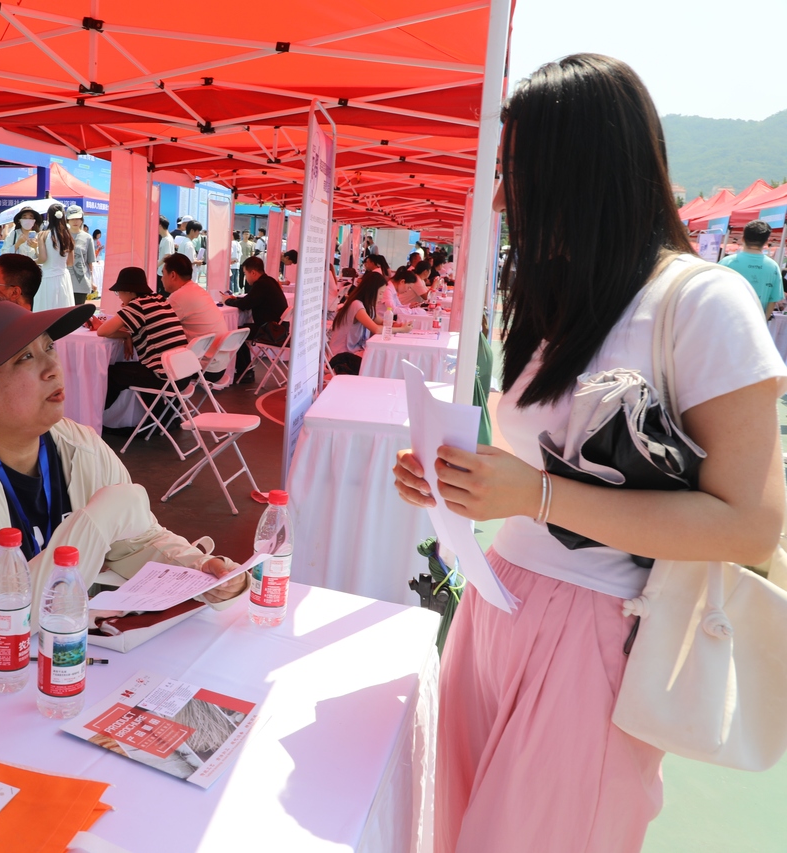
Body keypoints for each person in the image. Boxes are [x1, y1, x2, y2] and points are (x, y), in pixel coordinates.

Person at [392, 54, 787, 853]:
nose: (501, 199)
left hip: (601, 631)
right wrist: (457, 481)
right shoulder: (557, 295)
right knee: (452, 830)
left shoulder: (702, 302)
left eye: (516, 173)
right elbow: (529, 461)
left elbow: (751, 524)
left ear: (579, 171)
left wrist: (534, 495)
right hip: (495, 601)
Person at [0, 292, 248, 711]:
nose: (53, 368)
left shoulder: (76, 444)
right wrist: (102, 516)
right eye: (24, 358)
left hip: (27, 671)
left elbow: (134, 540)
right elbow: (3, 621)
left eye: (49, 348)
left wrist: (198, 569)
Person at [91, 268, 190, 408]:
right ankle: (162, 416)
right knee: (143, 368)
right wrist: (127, 334)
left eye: (119, 292)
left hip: (167, 377)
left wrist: (126, 335)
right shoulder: (159, 299)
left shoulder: (137, 306)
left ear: (129, 291)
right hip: (184, 372)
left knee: (113, 374)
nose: (119, 296)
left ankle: (97, 416)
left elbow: (102, 331)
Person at [224, 256, 288, 381]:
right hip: (278, 329)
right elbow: (251, 300)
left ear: (253, 272)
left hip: (271, 331)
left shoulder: (261, 284)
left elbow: (245, 304)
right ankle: (246, 371)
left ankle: (244, 372)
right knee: (241, 331)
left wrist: (227, 301)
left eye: (245, 274)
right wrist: (236, 299)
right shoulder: (269, 281)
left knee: (237, 333)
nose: (245, 277)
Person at [329, 273, 403, 374]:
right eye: (380, 293)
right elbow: (376, 329)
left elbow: (382, 322)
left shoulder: (367, 306)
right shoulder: (356, 305)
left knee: (383, 361)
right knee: (381, 365)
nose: (381, 298)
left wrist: (395, 324)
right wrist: (401, 329)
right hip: (343, 356)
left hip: (355, 351)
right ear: (371, 291)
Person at [162, 254, 227, 363]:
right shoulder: (197, 290)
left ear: (173, 275)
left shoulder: (179, 297)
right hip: (220, 361)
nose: (161, 278)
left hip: (203, 363)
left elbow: (159, 327)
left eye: (163, 273)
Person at [720, 220, 783, 318]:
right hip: (756, 323)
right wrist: (763, 322)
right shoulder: (773, 267)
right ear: (766, 242)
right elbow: (772, 300)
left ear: (743, 238)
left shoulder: (726, 262)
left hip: (725, 320)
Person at [34, 202, 75, 311]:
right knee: (63, 310)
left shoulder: (43, 234)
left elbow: (42, 259)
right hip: (63, 277)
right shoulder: (67, 235)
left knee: (46, 309)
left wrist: (31, 261)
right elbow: (70, 263)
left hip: (48, 277)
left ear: (49, 217)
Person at [66, 205, 95, 305]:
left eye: (78, 218)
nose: (75, 221)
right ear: (67, 220)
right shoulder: (61, 236)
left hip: (81, 283)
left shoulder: (87, 238)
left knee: (78, 312)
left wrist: (92, 281)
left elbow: (90, 262)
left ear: (82, 219)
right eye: (72, 219)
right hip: (64, 282)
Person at [156, 216, 174, 293]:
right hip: (161, 272)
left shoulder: (167, 239)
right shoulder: (164, 238)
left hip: (163, 273)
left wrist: (156, 265)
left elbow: (167, 255)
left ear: (159, 225)